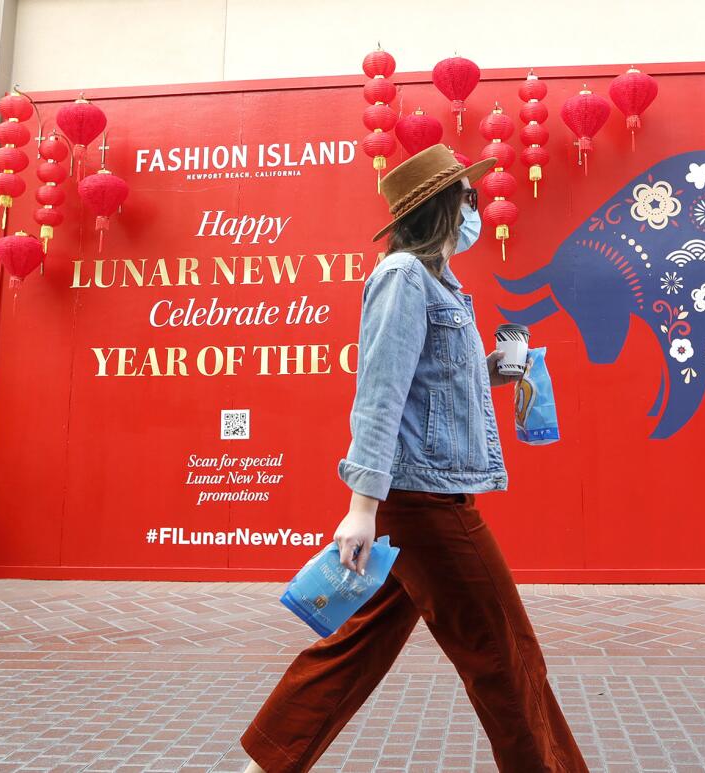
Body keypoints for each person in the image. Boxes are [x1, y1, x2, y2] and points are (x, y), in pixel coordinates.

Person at [239, 144, 590, 773]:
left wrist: (496, 373)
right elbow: (379, 393)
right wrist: (361, 506)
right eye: (469, 197)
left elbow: (431, 384)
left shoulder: (436, 281)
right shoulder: (402, 277)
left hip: (421, 495)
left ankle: (265, 763)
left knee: (355, 650)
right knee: (506, 654)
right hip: (423, 502)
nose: (476, 207)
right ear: (442, 209)